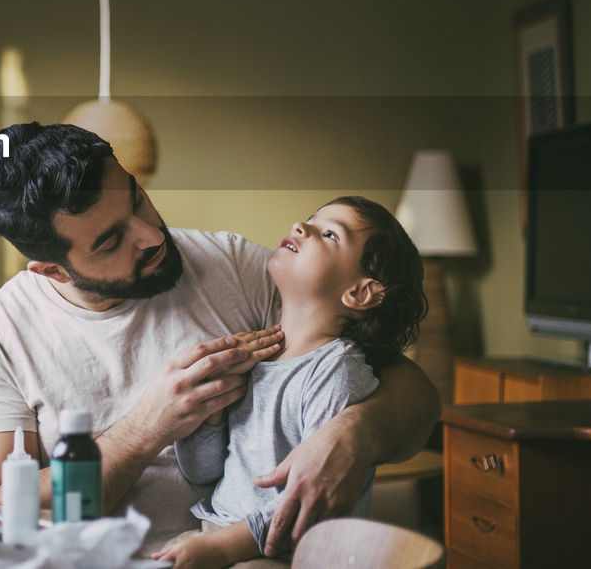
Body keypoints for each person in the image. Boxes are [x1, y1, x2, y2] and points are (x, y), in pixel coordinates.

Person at [0, 123, 440, 554]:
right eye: (112, 240)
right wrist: (148, 428)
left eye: (137, 198)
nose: (151, 235)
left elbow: (405, 389)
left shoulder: (236, 266)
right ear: (54, 270)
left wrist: (355, 434)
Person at [152, 197, 426, 567]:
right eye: (311, 220)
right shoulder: (258, 357)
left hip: (288, 552)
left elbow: (313, 503)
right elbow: (204, 473)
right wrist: (212, 415)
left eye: (329, 234)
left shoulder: (335, 372)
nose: (301, 226)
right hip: (216, 532)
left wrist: (222, 548)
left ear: (360, 293)